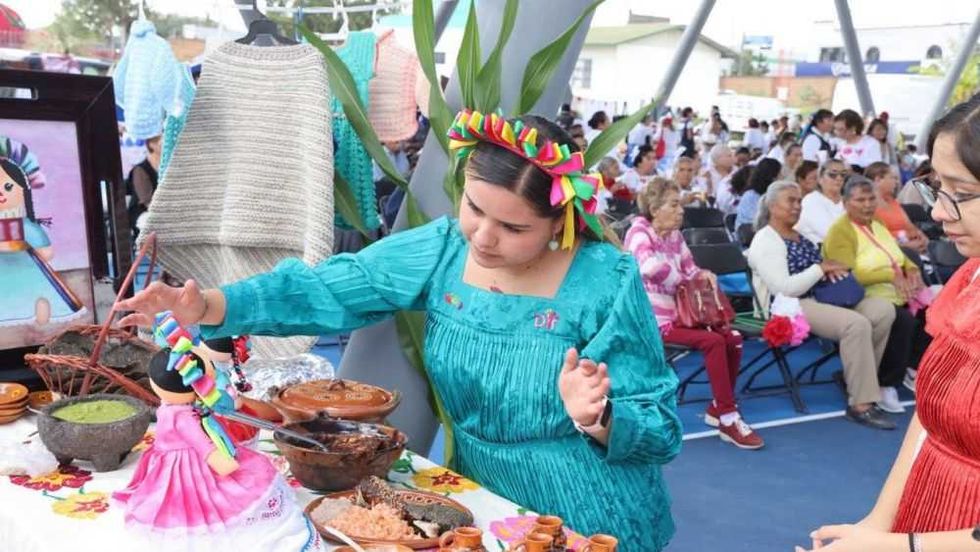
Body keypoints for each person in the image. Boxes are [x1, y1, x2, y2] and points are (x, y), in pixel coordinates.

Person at [118, 110, 683, 550]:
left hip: (587, 510)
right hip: (482, 501)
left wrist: (600, 417)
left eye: (513, 227)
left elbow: (661, 428)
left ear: (560, 221)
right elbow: (337, 286)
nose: (483, 237)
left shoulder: (604, 280)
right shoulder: (444, 249)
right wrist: (210, 305)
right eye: (474, 208)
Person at [796, 92, 980, 552]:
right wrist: (879, 524)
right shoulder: (971, 278)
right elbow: (930, 421)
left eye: (959, 194)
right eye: (938, 189)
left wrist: (894, 545)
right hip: (929, 513)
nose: (938, 212)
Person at [626, 178, 762, 449]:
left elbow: (690, 269)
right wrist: (686, 281)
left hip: (680, 315)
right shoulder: (639, 232)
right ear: (655, 209)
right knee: (712, 341)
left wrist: (704, 275)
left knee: (732, 337)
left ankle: (717, 408)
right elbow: (650, 268)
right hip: (651, 320)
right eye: (674, 205)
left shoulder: (675, 236)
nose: (681, 210)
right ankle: (728, 417)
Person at [748, 182, 896, 430]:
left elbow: (818, 270)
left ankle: (857, 380)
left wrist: (830, 271)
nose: (797, 206)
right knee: (855, 324)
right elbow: (783, 288)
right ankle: (861, 404)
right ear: (773, 207)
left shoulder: (799, 235)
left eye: (799, 201)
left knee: (882, 311)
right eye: (791, 201)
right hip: (789, 307)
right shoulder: (766, 240)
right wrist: (820, 269)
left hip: (820, 297)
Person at [822, 177, 931, 415]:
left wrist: (911, 270)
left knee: (933, 310)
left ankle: (912, 367)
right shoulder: (840, 231)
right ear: (845, 203)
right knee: (902, 319)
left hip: (895, 290)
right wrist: (888, 277)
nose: (867, 204)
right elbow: (846, 274)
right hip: (861, 296)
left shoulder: (877, 223)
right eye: (860, 200)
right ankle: (884, 382)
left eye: (871, 198)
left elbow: (897, 255)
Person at [865, 162, 928, 253]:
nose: (896, 182)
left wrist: (922, 238)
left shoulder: (891, 201)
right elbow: (874, 239)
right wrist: (905, 247)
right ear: (878, 180)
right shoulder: (867, 206)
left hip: (911, 247)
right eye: (892, 178)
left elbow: (909, 225)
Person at [796, 159, 847, 245]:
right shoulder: (811, 201)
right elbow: (830, 233)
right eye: (832, 175)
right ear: (820, 178)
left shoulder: (847, 201)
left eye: (843, 175)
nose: (839, 178)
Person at [126, 135, 162, 239]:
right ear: (152, 145)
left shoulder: (170, 166)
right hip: (144, 210)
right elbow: (147, 201)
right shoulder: (140, 170)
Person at [736, 158, 781, 230]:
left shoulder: (774, 195)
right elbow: (758, 223)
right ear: (773, 177)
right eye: (780, 175)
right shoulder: (750, 196)